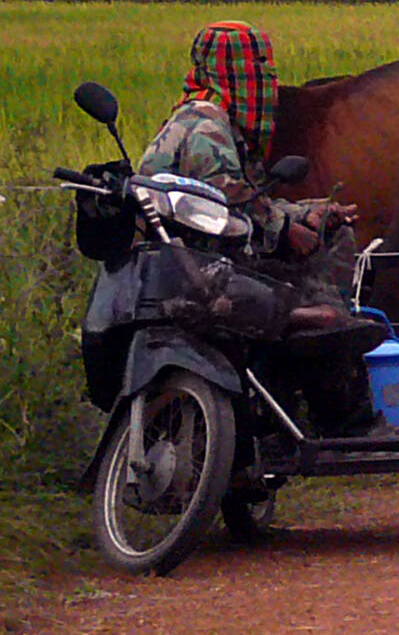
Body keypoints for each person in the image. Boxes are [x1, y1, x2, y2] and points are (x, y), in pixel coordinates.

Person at [137, 22, 384, 436]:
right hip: (198, 271)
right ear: (229, 70)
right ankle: (345, 423)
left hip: (196, 263)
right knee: (319, 309)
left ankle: (295, 417)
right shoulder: (207, 125)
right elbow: (227, 203)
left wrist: (308, 211)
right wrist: (288, 229)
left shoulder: (206, 117)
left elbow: (242, 204)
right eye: (258, 66)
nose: (268, 79)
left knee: (318, 249)